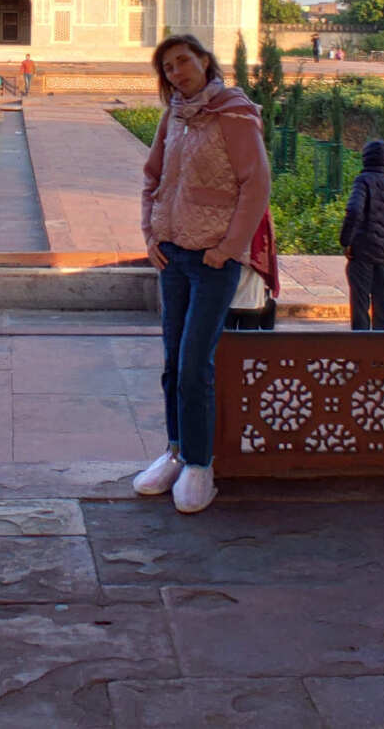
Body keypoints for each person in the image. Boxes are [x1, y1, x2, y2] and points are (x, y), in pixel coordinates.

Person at [134, 33, 271, 514]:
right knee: (173, 363)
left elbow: (256, 185)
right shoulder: (174, 115)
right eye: (168, 67)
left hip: (214, 260)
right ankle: (174, 450)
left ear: (205, 61)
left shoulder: (232, 112)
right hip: (173, 256)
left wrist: (229, 248)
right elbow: (153, 176)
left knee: (195, 365)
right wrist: (151, 234)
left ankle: (199, 464)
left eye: (182, 62)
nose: (176, 72)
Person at [339, 138, 384, 330]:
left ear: (366, 158)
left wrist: (346, 242)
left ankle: (362, 348)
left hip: (363, 250)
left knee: (360, 300)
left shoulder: (363, 180)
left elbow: (354, 211)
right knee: (382, 299)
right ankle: (382, 348)